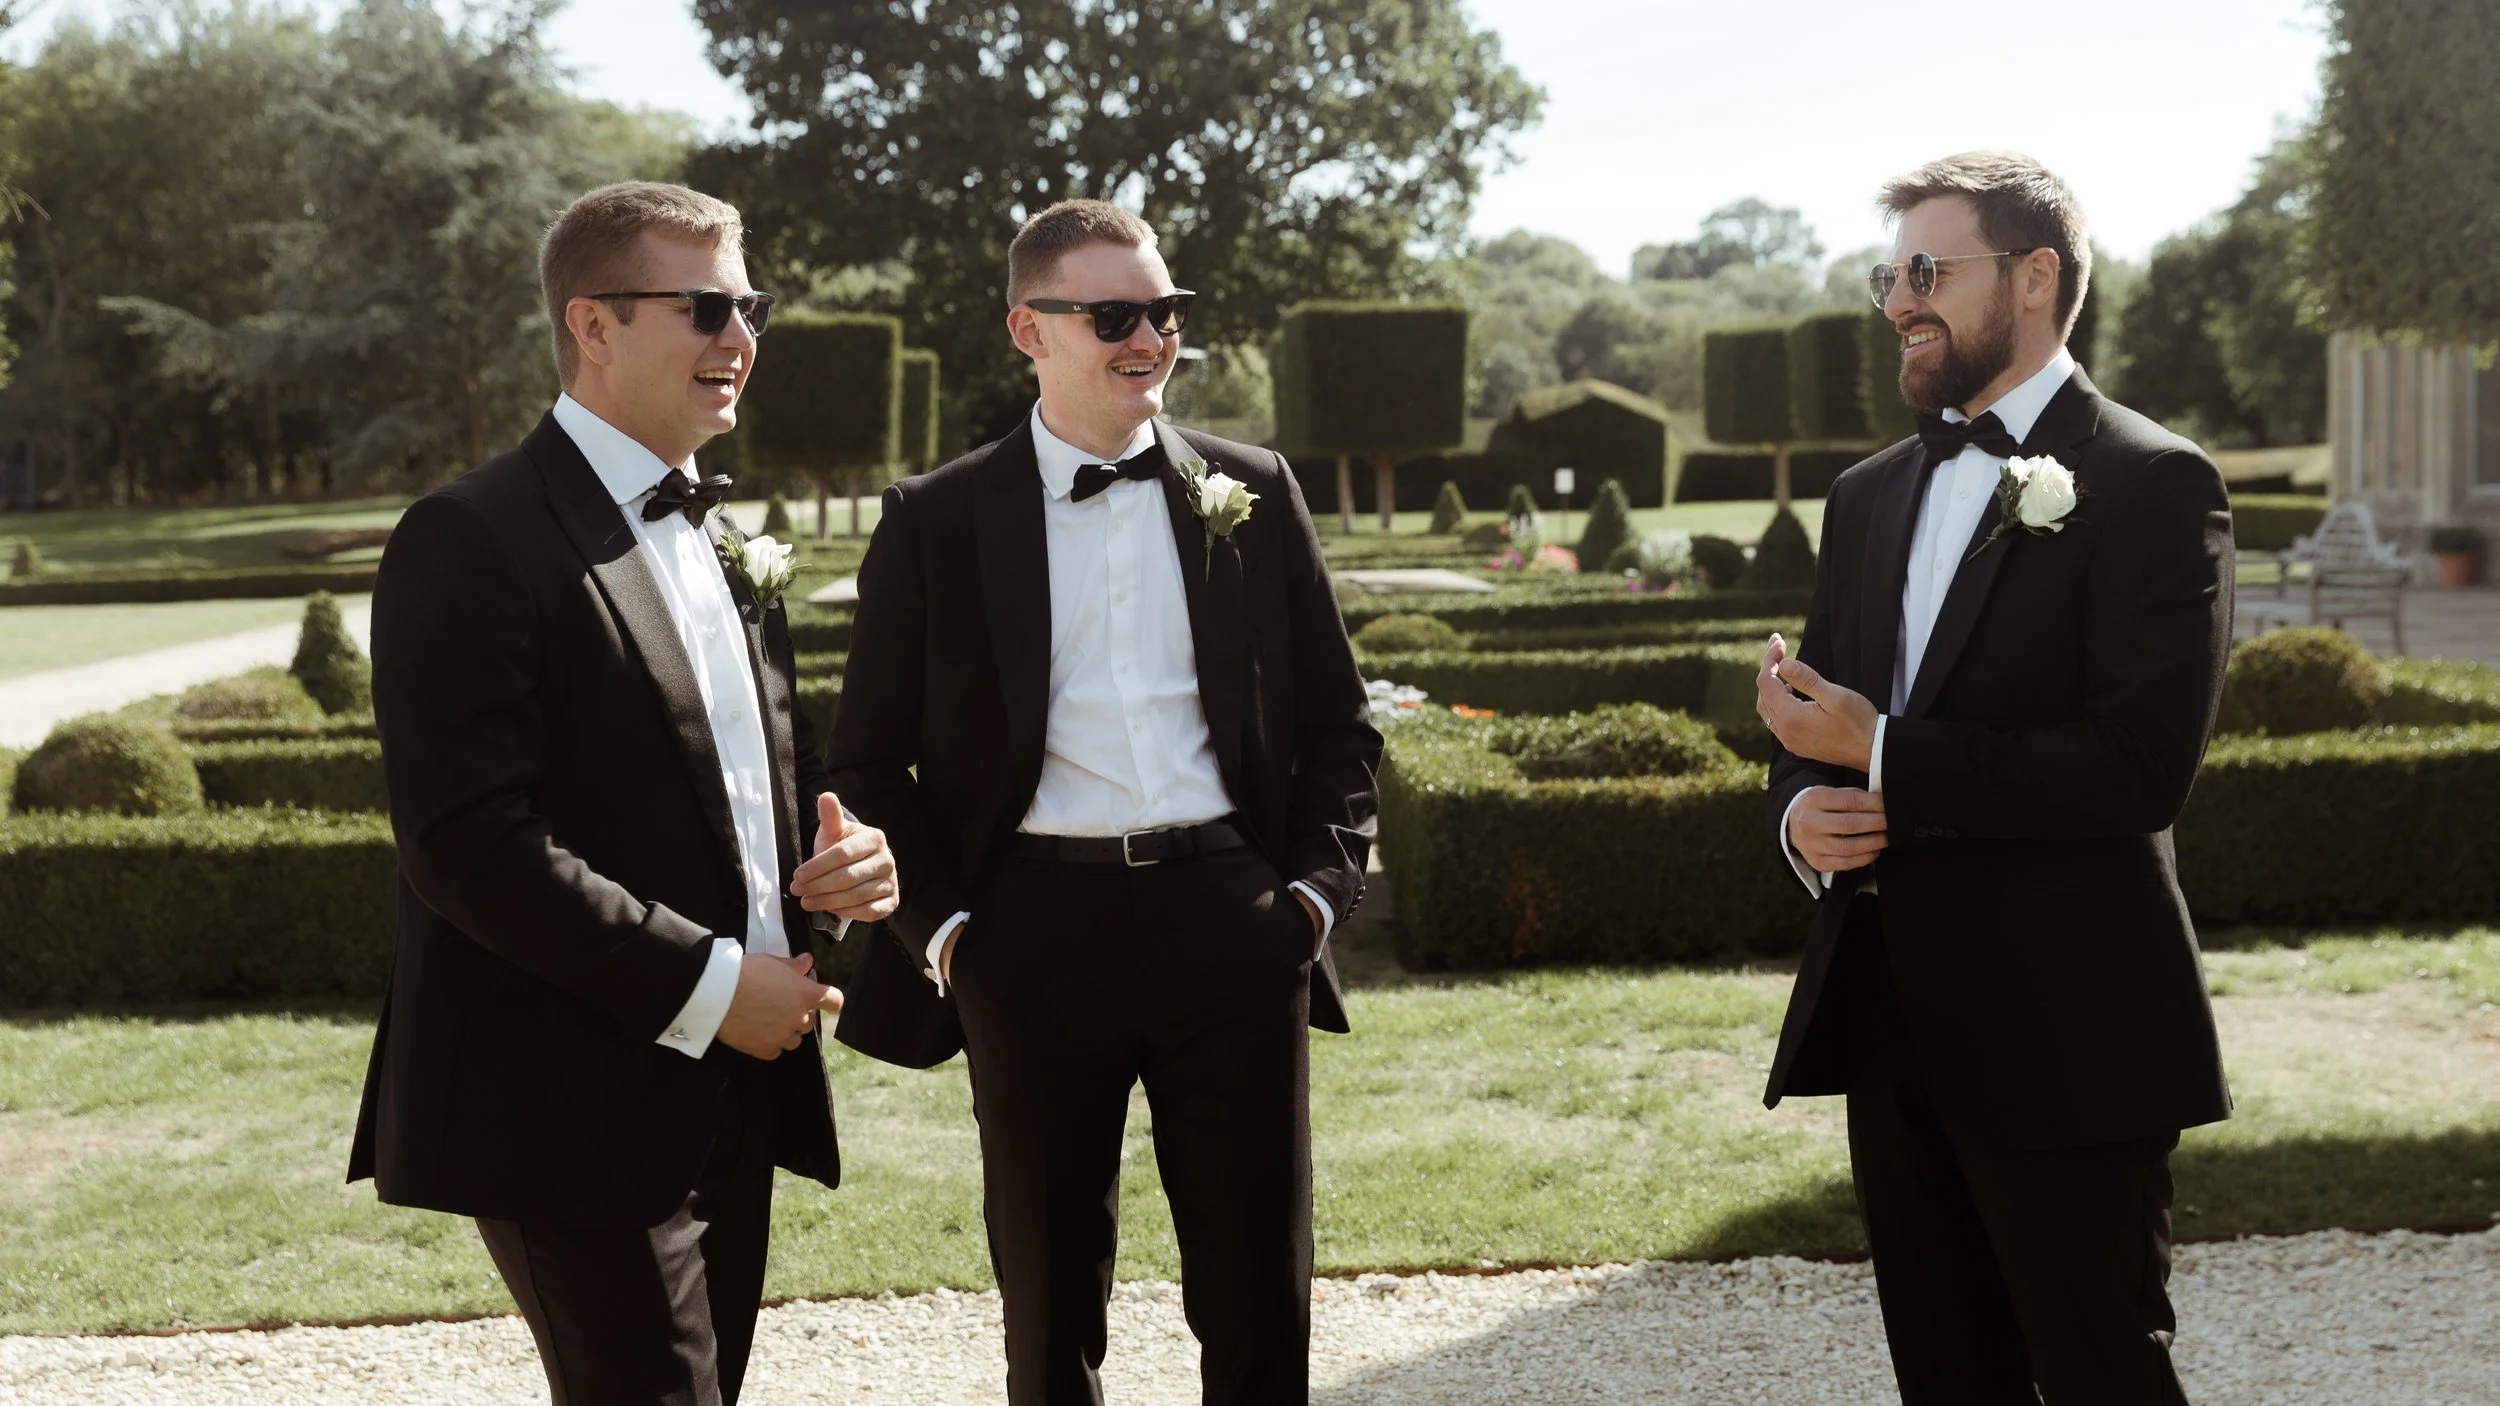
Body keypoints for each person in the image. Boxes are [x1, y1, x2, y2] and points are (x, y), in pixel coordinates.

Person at [348, 180, 899, 1406]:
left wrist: (854, 864)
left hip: (736, 1085)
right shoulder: (468, 534)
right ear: (591, 327)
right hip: (562, 1100)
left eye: (748, 303)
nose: (738, 336)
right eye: (703, 304)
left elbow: (766, 784)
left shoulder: (720, 536)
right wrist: (712, 988)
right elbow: (467, 843)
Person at [826, 198, 1381, 1405]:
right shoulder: (935, 518)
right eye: (1116, 314)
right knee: (1048, 1291)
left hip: (1234, 924)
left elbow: (1339, 727)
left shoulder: (1255, 488)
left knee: (1256, 1285)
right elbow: (865, 761)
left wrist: (1307, 905)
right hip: (1029, 936)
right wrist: (950, 936)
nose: (1152, 337)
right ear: (1029, 327)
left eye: (1166, 311)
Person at [1753, 152, 2233, 1405]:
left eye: (1929, 270)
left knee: (2100, 1375)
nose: (1901, 300)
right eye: (1890, 276)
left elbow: (2138, 770)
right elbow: (1818, 738)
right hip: (1893, 1027)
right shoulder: (1864, 498)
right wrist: (1803, 809)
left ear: (2034, 278)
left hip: (2074, 1035)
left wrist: (1880, 752)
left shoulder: (2151, 481)